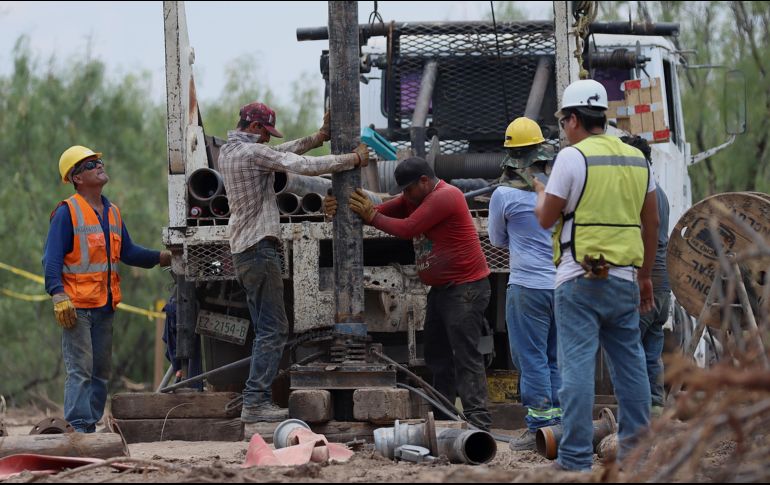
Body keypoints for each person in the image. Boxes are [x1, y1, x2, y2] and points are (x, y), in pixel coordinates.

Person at [533, 79, 659, 471]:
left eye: (563, 120)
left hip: (580, 278)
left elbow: (545, 218)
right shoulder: (638, 160)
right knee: (631, 367)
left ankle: (573, 459)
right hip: (624, 278)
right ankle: (637, 454)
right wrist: (644, 276)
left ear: (572, 119)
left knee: (576, 369)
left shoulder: (572, 158)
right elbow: (650, 221)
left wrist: (541, 191)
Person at [218, 102, 368, 423]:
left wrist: (320, 136)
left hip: (245, 251)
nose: (269, 140)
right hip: (259, 250)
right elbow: (302, 165)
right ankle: (256, 402)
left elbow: (284, 151)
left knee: (265, 330)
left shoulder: (231, 152)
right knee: (274, 330)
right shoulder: (253, 154)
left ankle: (254, 400)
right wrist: (352, 160)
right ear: (257, 128)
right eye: (267, 134)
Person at [326, 156, 493, 430]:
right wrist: (341, 207)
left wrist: (371, 215)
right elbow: (379, 211)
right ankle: (444, 418)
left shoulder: (446, 196)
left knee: (465, 355)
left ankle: (479, 423)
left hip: (465, 289)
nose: (404, 195)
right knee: (438, 355)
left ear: (424, 181)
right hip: (443, 290)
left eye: (407, 189)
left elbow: (407, 228)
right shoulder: (415, 198)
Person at [43, 145, 171, 433]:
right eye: (90, 165)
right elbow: (51, 259)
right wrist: (57, 293)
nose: (98, 165)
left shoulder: (112, 212)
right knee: (80, 371)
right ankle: (78, 429)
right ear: (76, 178)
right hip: (76, 307)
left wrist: (162, 257)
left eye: (98, 161)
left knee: (100, 373)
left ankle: (90, 424)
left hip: (105, 306)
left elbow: (128, 252)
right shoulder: (67, 213)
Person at [488, 117, 560, 451]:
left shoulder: (503, 195)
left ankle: (539, 429)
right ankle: (560, 426)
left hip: (527, 286)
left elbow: (497, 240)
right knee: (556, 358)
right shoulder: (559, 189)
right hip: (563, 285)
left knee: (531, 359)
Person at [621, 135, 671, 417]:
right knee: (652, 352)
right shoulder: (659, 192)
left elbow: (643, 235)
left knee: (630, 350)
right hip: (664, 287)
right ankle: (655, 409)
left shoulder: (640, 190)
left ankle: (636, 412)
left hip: (645, 281)